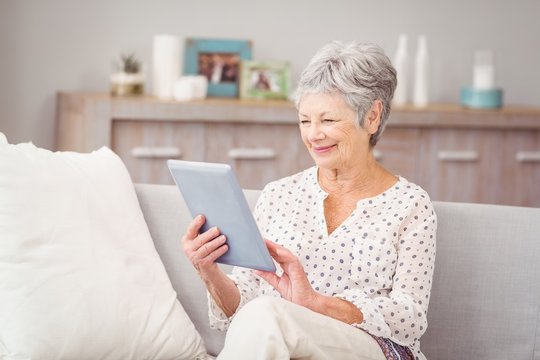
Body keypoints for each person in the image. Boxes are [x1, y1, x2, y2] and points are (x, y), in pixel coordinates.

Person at [182, 41, 437, 360]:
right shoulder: (278, 195)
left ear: (372, 117)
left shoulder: (410, 204)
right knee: (262, 314)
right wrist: (207, 270)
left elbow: (410, 318)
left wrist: (315, 304)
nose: (313, 135)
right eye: (305, 121)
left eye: (328, 121)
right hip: (280, 345)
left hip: (371, 349)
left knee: (267, 314)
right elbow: (242, 309)